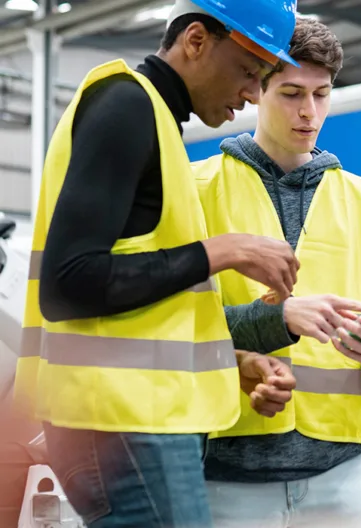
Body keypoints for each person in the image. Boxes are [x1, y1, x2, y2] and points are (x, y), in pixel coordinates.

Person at [12, 0, 305, 526]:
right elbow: (69, 284)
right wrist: (224, 250)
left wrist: (232, 362)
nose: (252, 94)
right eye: (248, 71)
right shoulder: (127, 105)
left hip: (130, 425)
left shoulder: (156, 126)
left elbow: (139, 302)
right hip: (124, 425)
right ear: (195, 41)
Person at [191, 17, 361, 528]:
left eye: (322, 94)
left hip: (347, 470)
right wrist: (279, 318)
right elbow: (177, 326)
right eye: (292, 93)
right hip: (226, 465)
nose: (309, 112)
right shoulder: (195, 189)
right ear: (256, 89)